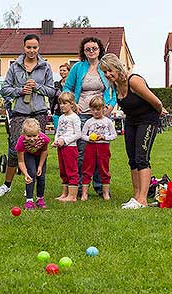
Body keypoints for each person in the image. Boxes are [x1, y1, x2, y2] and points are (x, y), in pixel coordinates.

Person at [99, 53, 168, 209]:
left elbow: (156, 101)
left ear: (117, 67)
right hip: (131, 121)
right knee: (132, 159)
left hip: (148, 120)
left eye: (109, 70)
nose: (108, 74)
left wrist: (160, 111)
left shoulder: (134, 81)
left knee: (142, 157)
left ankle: (142, 200)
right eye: (104, 72)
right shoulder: (115, 85)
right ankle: (136, 197)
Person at [0, 33, 56, 196]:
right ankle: (7, 185)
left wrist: (37, 87)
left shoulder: (45, 67)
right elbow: (5, 89)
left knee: (38, 149)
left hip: (39, 113)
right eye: (29, 47)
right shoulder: (15, 66)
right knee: (15, 149)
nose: (32, 50)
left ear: (38, 47)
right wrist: (20, 91)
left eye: (35, 47)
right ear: (24, 47)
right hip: (19, 113)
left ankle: (32, 186)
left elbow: (51, 91)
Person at [63, 37, 116, 197]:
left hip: (102, 116)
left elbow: (115, 90)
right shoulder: (78, 67)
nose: (91, 51)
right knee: (82, 153)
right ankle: (78, 187)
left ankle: (100, 187)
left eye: (94, 48)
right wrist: (72, 103)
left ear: (100, 50)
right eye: (88, 49)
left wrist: (111, 105)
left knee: (101, 153)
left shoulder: (105, 67)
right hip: (82, 115)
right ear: (83, 52)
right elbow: (67, 87)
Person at [81, 96, 117, 201]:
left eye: (98, 109)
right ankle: (84, 194)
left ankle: (105, 193)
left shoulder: (108, 121)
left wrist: (104, 137)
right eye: (93, 110)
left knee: (104, 170)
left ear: (103, 108)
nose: (96, 112)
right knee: (87, 169)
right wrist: (89, 138)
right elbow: (83, 135)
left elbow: (114, 135)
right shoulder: (89, 122)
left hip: (103, 148)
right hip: (90, 148)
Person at [52, 92, 81, 202]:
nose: (62, 106)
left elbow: (78, 134)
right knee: (63, 171)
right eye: (60, 103)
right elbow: (58, 131)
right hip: (61, 148)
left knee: (71, 170)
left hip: (70, 148)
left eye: (65, 103)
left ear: (72, 104)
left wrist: (65, 140)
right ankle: (65, 193)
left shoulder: (75, 118)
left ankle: (72, 196)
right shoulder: (61, 118)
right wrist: (56, 141)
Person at [15, 118, 50, 209]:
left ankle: (40, 198)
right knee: (31, 174)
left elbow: (45, 151)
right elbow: (21, 161)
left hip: (40, 156)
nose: (32, 139)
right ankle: (29, 200)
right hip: (28, 155)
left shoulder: (44, 139)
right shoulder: (21, 142)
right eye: (29, 136)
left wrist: (40, 166)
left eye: (34, 136)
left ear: (39, 133)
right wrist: (25, 174)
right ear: (23, 134)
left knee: (41, 176)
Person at [50, 63, 71, 130]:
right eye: (61, 70)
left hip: (69, 111)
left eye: (64, 70)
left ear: (69, 71)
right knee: (58, 131)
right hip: (58, 112)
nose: (62, 72)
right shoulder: (56, 84)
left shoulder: (71, 84)